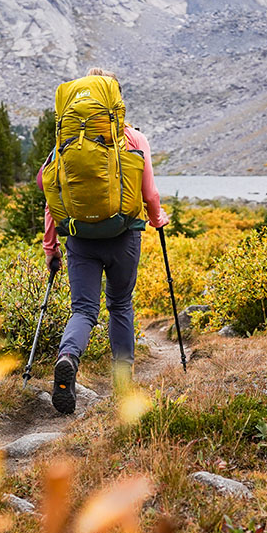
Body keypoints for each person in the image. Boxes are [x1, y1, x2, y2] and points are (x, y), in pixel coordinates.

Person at [38, 67, 169, 415]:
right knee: (121, 305)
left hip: (80, 240)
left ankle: (67, 358)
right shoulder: (133, 140)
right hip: (124, 235)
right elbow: (150, 193)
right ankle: (123, 384)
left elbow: (51, 195)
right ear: (115, 102)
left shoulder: (65, 145)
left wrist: (52, 249)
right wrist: (158, 220)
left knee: (83, 310)